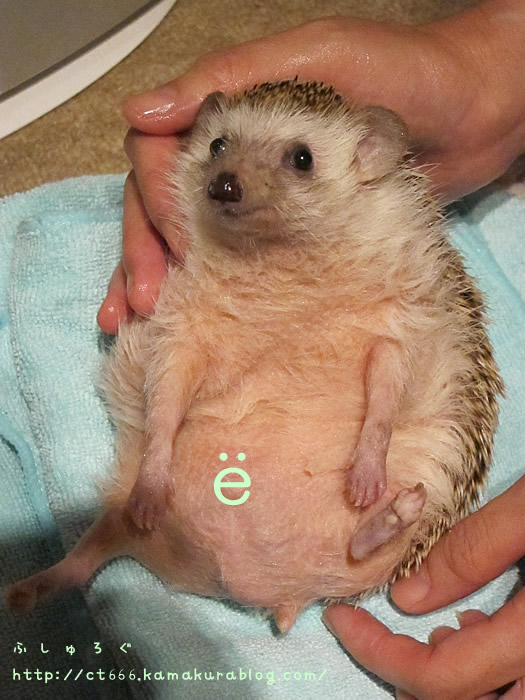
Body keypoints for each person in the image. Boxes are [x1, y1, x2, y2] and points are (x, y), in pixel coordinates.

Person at [98, 0, 525, 696]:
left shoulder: (387, 252)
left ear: (368, 158)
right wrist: (488, 74)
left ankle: (357, 540)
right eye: (219, 148)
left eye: (297, 159)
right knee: (168, 344)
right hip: (224, 439)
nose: (232, 177)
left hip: (337, 458)